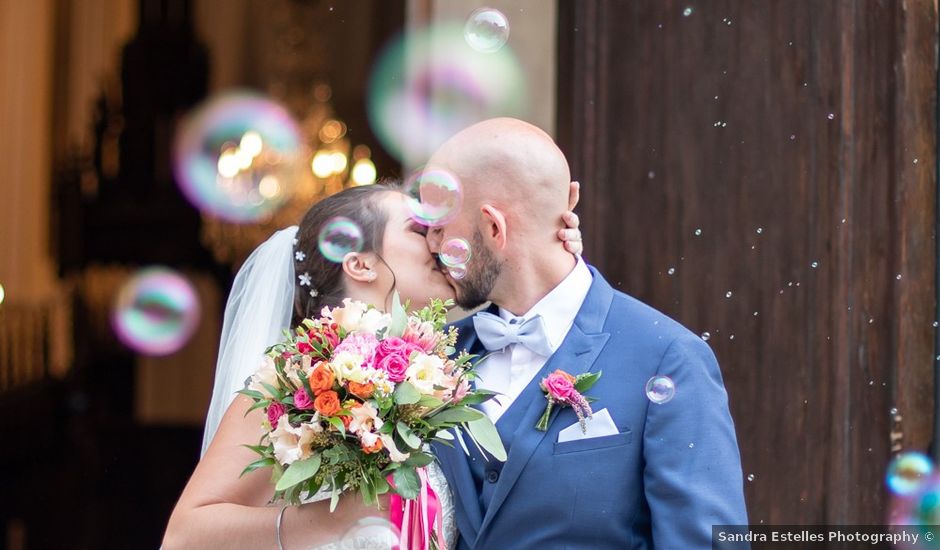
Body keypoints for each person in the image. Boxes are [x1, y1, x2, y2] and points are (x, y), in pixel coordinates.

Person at [162, 180, 584, 549]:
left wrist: (546, 252)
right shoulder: (294, 385)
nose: (439, 241)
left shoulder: (443, 377)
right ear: (361, 263)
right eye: (420, 230)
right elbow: (185, 535)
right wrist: (335, 520)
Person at [425, 118, 749, 549]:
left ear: (493, 228)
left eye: (439, 225)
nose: (429, 242)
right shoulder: (431, 358)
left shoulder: (667, 356)